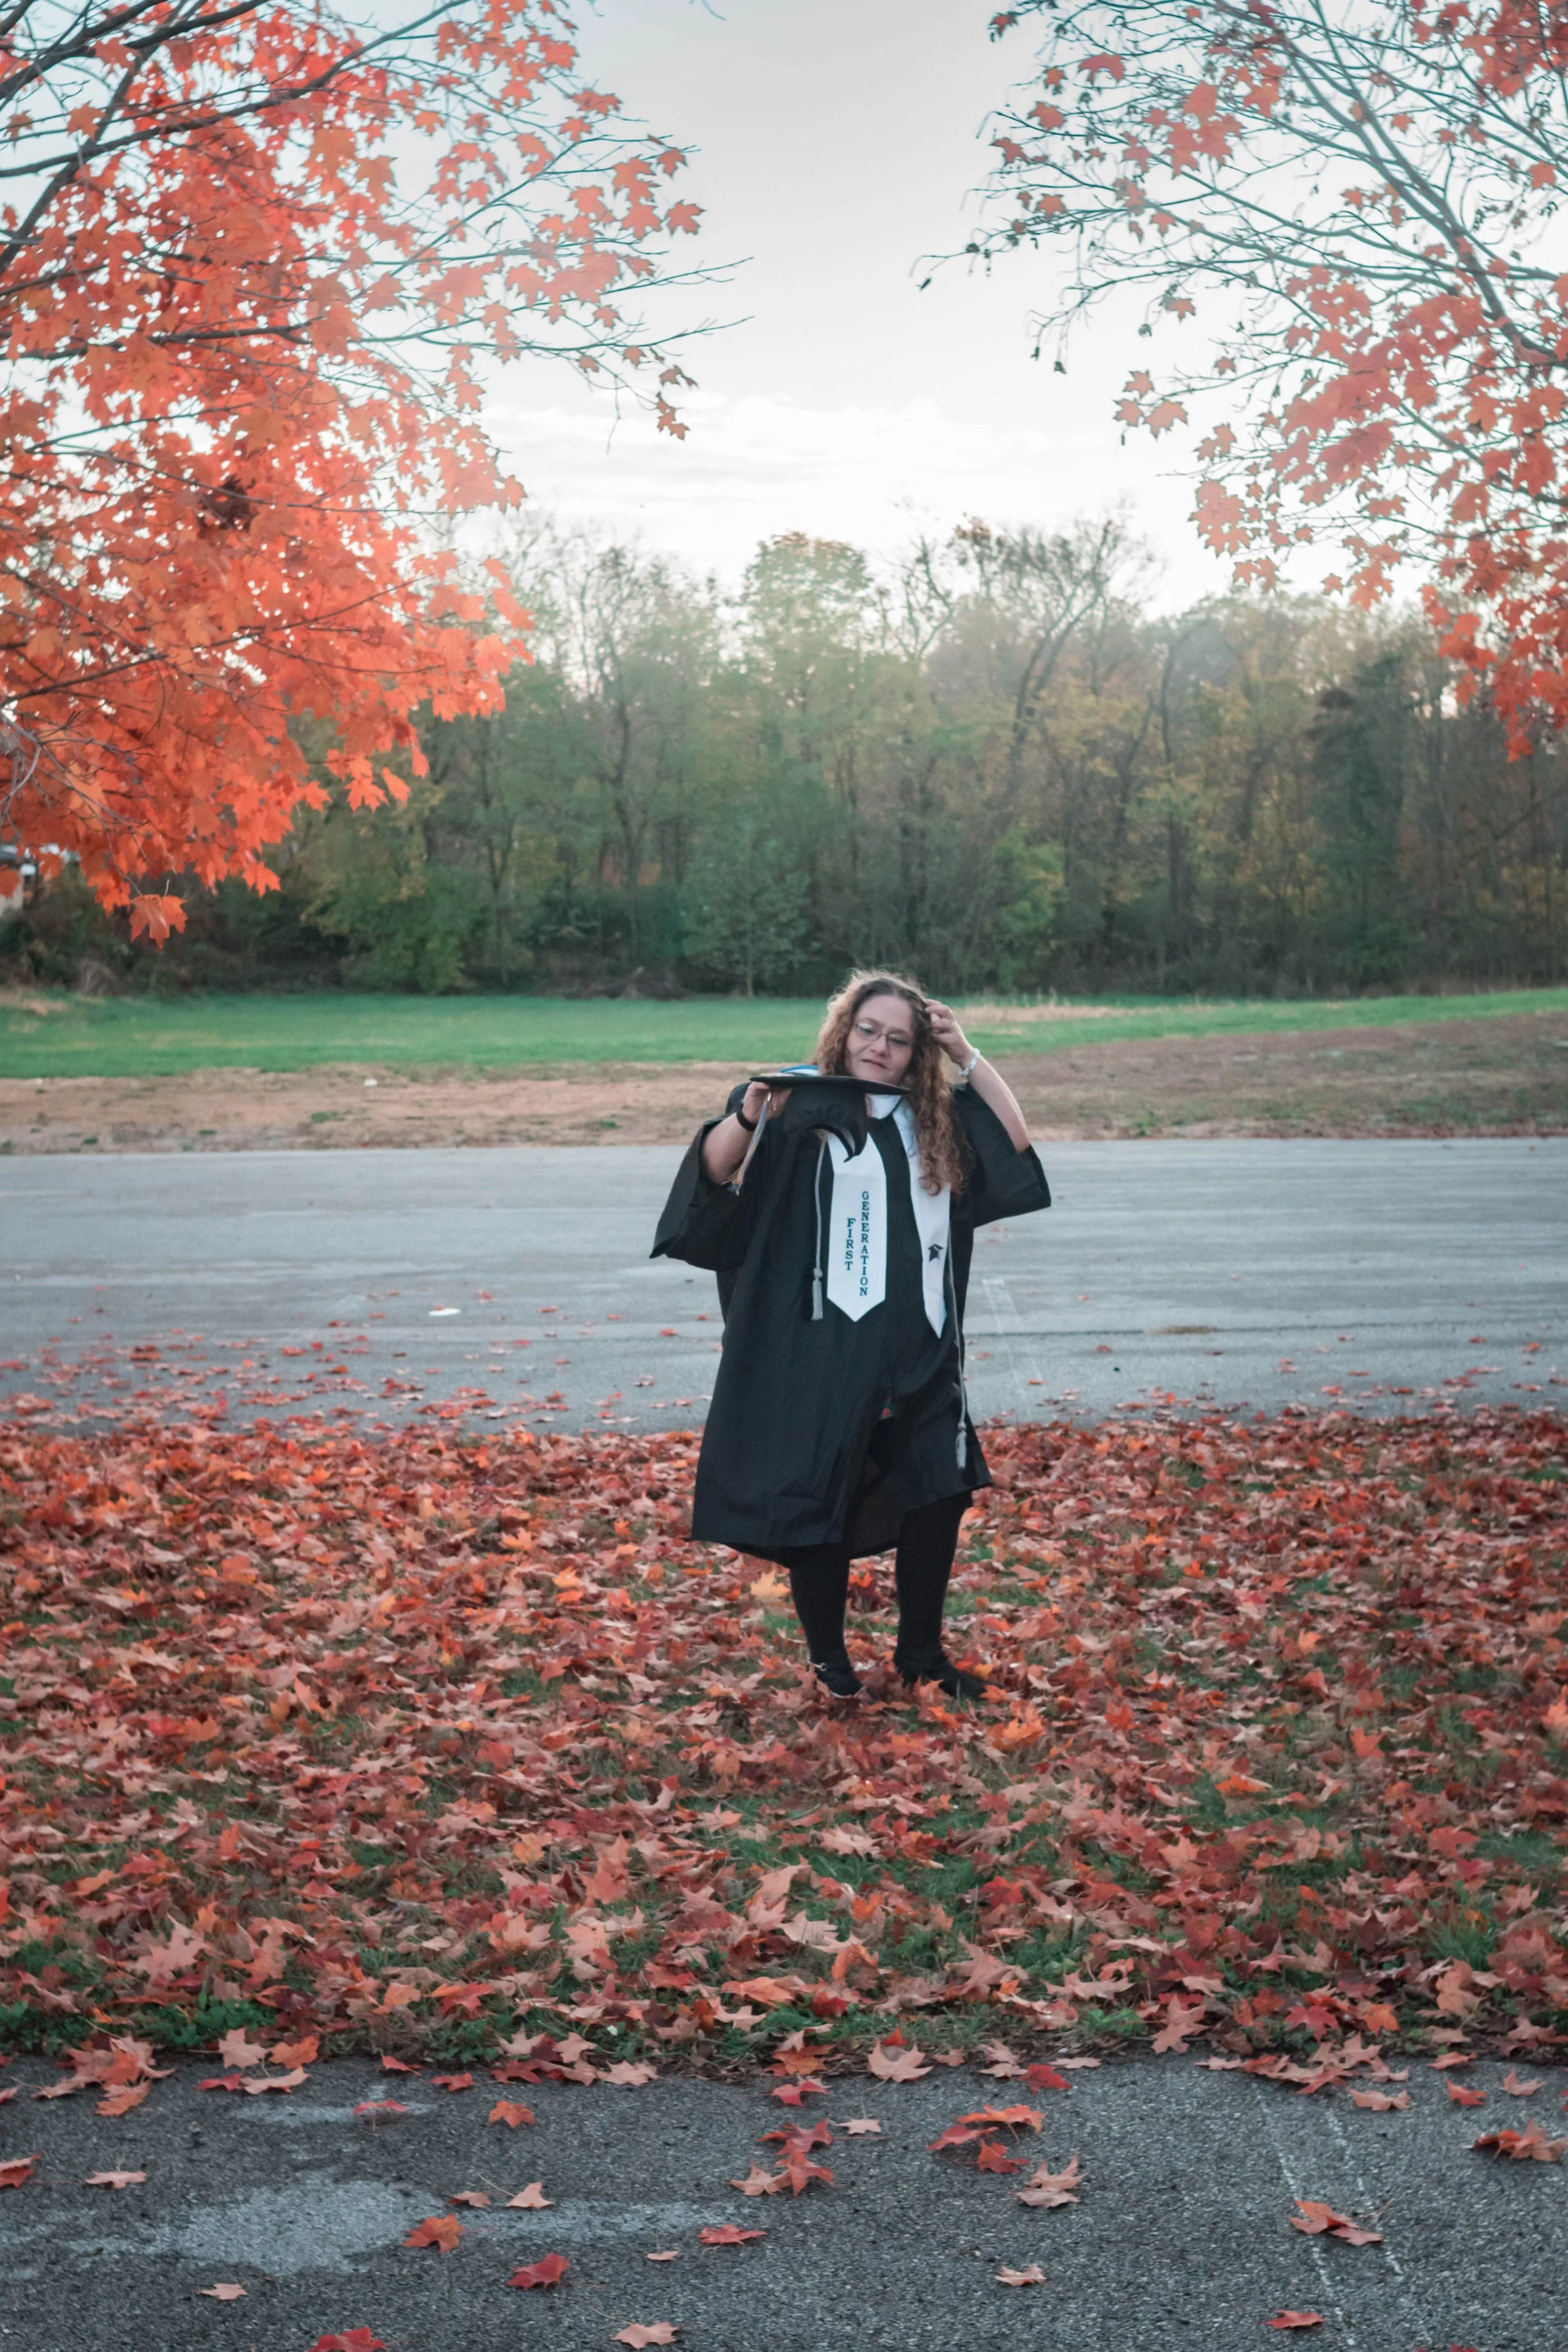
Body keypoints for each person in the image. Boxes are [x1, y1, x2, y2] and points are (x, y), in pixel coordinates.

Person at [651, 970, 1050, 1700]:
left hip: (919, 1346)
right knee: (818, 1498)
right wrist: (746, 1116)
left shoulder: (933, 1118)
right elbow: (711, 1174)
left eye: (899, 1039)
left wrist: (965, 1051)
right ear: (844, 1029)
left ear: (915, 1051)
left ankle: (921, 1659)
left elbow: (1017, 1146)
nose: (879, 1048)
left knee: (939, 1491)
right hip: (820, 1349)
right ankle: (831, 1665)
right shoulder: (796, 1104)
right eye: (868, 1030)